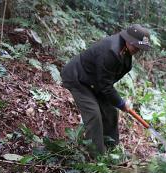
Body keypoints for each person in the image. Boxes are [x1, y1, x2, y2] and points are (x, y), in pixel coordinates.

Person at [61, 24, 151, 155]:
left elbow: (106, 82)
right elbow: (105, 85)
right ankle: (96, 157)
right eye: (136, 46)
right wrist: (121, 103)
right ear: (129, 39)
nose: (138, 50)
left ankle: (111, 149)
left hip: (95, 82)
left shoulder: (124, 50)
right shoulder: (111, 51)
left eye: (140, 48)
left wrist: (117, 104)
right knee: (93, 114)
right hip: (78, 78)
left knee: (111, 112)